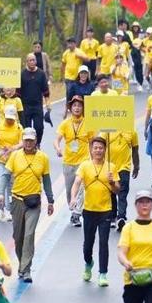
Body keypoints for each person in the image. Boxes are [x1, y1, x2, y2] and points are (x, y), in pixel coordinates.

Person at [0, 127, 54, 283]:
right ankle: (23, 262)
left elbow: (47, 180)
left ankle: (25, 269)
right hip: (17, 200)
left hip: (33, 202)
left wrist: (50, 200)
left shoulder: (43, 158)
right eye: (26, 140)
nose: (28, 143)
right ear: (22, 141)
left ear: (35, 141)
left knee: (29, 235)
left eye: (31, 140)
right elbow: (5, 176)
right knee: (18, 236)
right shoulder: (15, 156)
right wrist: (1, 193)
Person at [71, 136, 120, 287]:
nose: (98, 150)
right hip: (89, 210)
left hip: (105, 211)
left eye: (101, 148)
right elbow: (77, 182)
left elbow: (117, 190)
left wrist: (112, 182)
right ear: (91, 150)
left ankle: (103, 273)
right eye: (95, 148)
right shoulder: (85, 166)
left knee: (104, 243)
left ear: (105, 150)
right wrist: (73, 198)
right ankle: (88, 263)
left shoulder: (111, 166)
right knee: (88, 245)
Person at [54, 95, 93, 227]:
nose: (77, 108)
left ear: (83, 108)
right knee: (70, 189)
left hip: (84, 161)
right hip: (68, 161)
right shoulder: (65, 124)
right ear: (70, 108)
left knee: (81, 188)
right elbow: (57, 139)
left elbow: (93, 142)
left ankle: (77, 213)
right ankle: (72, 205)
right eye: (74, 105)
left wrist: (95, 158)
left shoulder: (88, 123)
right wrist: (58, 148)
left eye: (80, 105)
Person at [100, 128, 139, 232]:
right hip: (110, 167)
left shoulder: (131, 131)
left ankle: (121, 217)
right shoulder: (106, 131)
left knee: (123, 192)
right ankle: (112, 215)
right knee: (111, 191)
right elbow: (100, 147)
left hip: (124, 167)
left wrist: (136, 165)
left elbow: (135, 149)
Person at [0, 105, 23, 222]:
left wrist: (12, 148)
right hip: (1, 159)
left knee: (11, 186)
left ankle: (10, 210)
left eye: (11, 118)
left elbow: (22, 143)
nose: (9, 120)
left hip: (14, 160)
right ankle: (1, 210)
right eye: (8, 118)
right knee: (0, 184)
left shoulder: (18, 127)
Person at [20, 53, 50, 146]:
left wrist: (48, 104)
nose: (32, 62)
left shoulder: (41, 74)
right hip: (25, 106)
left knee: (39, 127)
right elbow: (17, 92)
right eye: (30, 60)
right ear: (27, 62)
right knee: (26, 129)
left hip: (37, 105)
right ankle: (27, 146)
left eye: (34, 60)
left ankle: (37, 144)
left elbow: (45, 91)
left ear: (36, 61)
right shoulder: (22, 74)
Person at [61, 37, 90, 102]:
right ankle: (67, 108)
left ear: (75, 44)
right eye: (68, 44)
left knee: (78, 93)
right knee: (69, 93)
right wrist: (63, 76)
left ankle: (77, 107)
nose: (70, 45)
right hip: (68, 77)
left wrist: (81, 57)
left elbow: (88, 59)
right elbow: (63, 65)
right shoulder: (66, 53)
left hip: (77, 77)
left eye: (71, 43)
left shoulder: (79, 51)